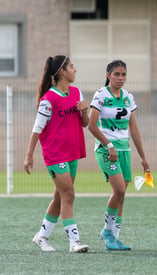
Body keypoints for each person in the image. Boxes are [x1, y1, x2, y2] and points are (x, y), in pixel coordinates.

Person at [24, 55, 90, 253]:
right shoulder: (49, 99)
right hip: (55, 154)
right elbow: (37, 128)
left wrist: (85, 111)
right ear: (62, 71)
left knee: (60, 197)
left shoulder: (77, 92)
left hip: (72, 153)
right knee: (69, 194)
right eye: (71, 66)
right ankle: (74, 242)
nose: (75, 70)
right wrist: (29, 155)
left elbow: (84, 124)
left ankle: (42, 236)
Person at [88, 60, 150, 250]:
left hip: (125, 150)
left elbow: (134, 129)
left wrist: (143, 157)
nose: (120, 78)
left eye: (123, 74)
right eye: (117, 74)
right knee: (119, 191)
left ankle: (114, 238)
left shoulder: (128, 98)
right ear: (108, 75)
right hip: (106, 150)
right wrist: (108, 145)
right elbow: (91, 125)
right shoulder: (101, 95)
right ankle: (107, 231)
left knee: (122, 195)